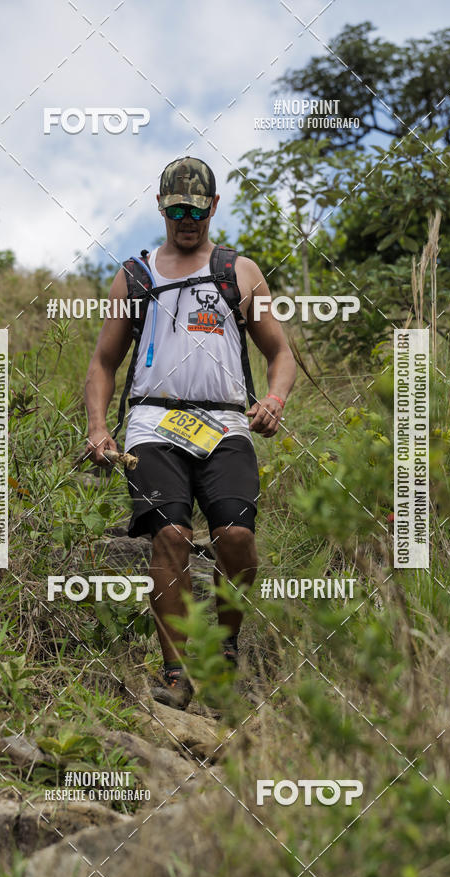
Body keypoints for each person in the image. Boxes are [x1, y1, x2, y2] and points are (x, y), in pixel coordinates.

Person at [85, 157, 296, 709]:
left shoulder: (240, 272)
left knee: (236, 539)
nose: (185, 221)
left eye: (196, 211)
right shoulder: (135, 275)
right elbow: (104, 362)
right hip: (154, 421)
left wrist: (273, 400)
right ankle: (177, 674)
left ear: (213, 209)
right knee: (171, 537)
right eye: (176, 210)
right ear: (159, 207)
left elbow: (281, 353)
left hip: (226, 422)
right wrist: (99, 428)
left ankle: (225, 643)